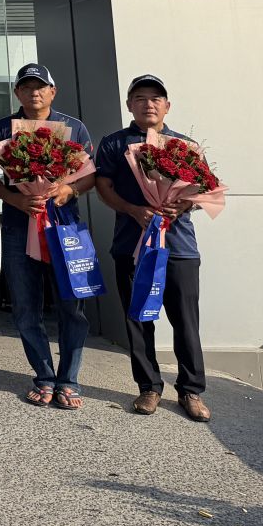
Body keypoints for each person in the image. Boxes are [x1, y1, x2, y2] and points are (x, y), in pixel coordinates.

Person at [94, 75, 211, 422]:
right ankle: (148, 386)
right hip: (131, 246)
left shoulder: (185, 146)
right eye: (141, 98)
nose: (149, 104)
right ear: (130, 105)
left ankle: (191, 390)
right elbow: (103, 186)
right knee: (138, 319)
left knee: (186, 321)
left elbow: (203, 189)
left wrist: (181, 206)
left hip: (180, 248)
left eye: (156, 98)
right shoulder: (114, 144)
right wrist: (132, 209)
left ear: (167, 106)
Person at [0, 62, 95, 410]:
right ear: (17, 92)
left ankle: (69, 380)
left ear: (52, 91)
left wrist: (68, 190)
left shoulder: (74, 127)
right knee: (24, 307)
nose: (34, 92)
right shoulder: (1, 128)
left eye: (40, 86)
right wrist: (16, 199)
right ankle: (44, 376)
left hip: (64, 227)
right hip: (19, 227)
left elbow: (89, 175)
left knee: (71, 305)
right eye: (26, 87)